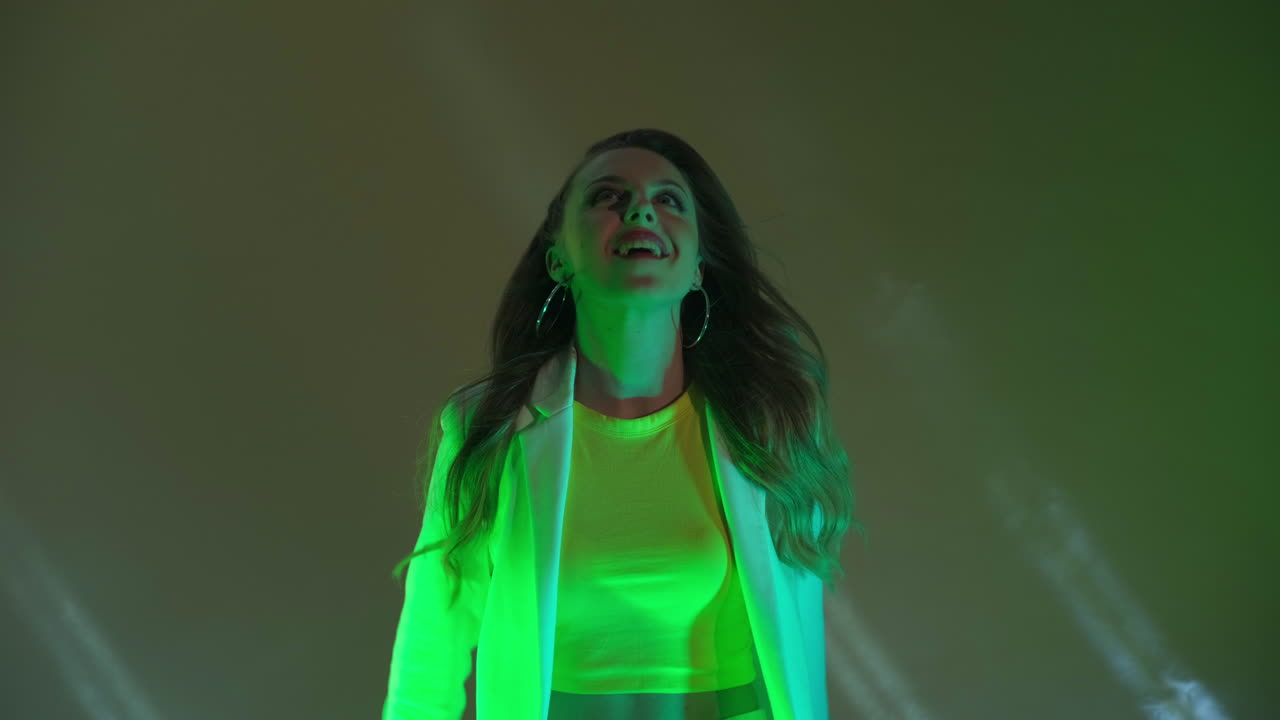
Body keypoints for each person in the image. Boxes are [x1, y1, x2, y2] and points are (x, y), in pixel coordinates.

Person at [382, 128, 864, 720]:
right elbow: (430, 652)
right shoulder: (487, 426)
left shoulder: (766, 427)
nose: (640, 211)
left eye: (669, 200)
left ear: (698, 267)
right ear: (558, 258)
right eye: (607, 197)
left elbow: (797, 661)